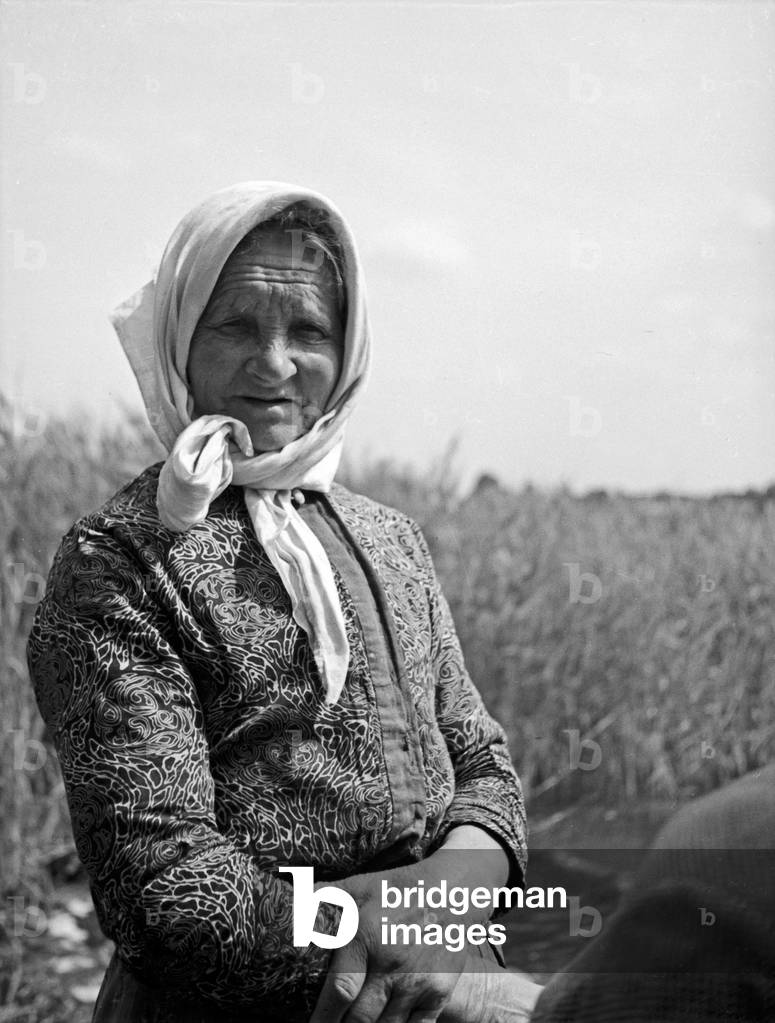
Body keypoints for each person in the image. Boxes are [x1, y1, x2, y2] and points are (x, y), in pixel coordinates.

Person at [26, 182, 540, 1023]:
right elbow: (166, 885)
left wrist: (447, 897)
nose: (273, 363)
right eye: (234, 326)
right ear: (178, 342)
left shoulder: (391, 540)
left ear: (349, 349)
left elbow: (483, 765)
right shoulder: (117, 558)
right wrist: (403, 958)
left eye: (308, 330)